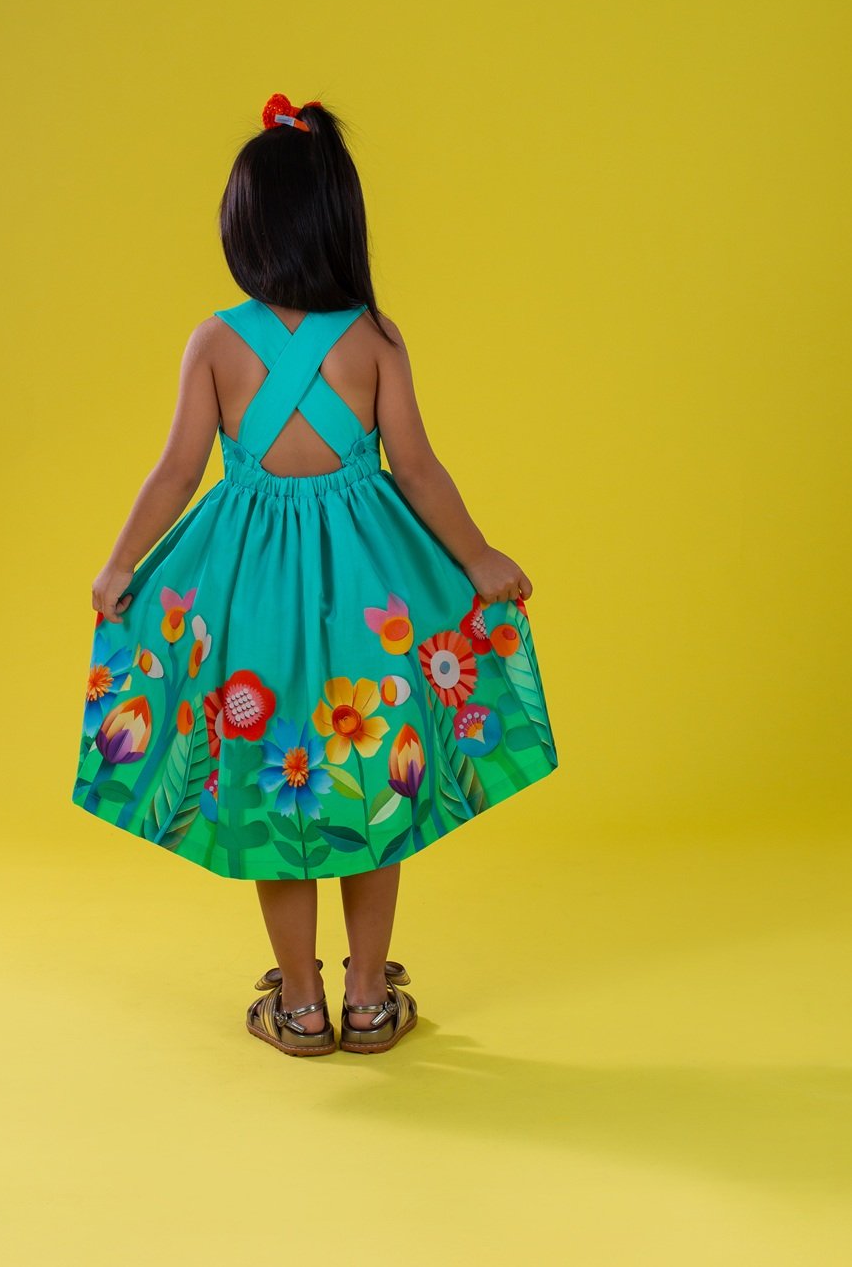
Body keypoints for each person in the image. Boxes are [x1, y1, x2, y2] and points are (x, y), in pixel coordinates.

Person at [72, 92, 559, 1058]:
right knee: (371, 773)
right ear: (340, 221)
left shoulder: (216, 342)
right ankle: (369, 999)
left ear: (244, 231)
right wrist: (478, 558)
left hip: (251, 600)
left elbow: (176, 472)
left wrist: (122, 562)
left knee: (275, 783)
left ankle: (299, 1005)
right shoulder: (376, 339)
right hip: (368, 602)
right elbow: (417, 470)